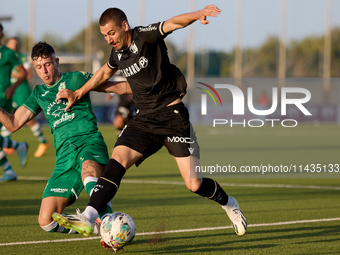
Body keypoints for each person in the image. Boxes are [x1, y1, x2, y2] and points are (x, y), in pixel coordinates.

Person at [53, 5, 247, 246]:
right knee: (118, 159)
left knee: (194, 184)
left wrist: (197, 15)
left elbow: (173, 23)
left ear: (125, 25)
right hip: (143, 119)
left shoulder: (145, 35)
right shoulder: (118, 55)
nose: (108, 39)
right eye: (104, 35)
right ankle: (89, 216)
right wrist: (79, 92)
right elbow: (104, 72)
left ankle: (230, 204)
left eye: (111, 32)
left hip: (172, 117)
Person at [0, 41, 131, 234]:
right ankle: (96, 229)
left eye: (47, 64)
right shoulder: (38, 94)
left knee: (89, 176)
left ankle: (109, 228)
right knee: (46, 220)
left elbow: (116, 87)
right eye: (38, 67)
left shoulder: (76, 79)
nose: (43, 71)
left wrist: (150, 88)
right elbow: (12, 124)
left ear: (57, 61)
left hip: (88, 143)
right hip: (64, 158)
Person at [2, 37, 50, 157]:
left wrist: (14, 74)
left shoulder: (20, 56)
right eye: (12, 43)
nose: (14, 46)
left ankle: (43, 142)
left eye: (16, 43)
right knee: (6, 116)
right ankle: (6, 145)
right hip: (10, 91)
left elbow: (27, 73)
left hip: (20, 90)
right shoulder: (5, 55)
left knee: (27, 118)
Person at [0, 23, 29, 182]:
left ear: (2, 35)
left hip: (2, 98)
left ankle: (9, 170)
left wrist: (13, 87)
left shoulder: (8, 53)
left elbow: (23, 73)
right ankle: (19, 147)